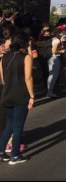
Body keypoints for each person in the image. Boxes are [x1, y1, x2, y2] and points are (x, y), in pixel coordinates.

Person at [0, 32, 35, 165]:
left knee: (10, 124)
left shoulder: (4, 57)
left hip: (6, 94)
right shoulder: (26, 57)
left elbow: (3, 78)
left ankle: (1, 151)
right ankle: (15, 155)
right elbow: (28, 78)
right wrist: (32, 96)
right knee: (18, 126)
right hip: (20, 95)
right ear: (25, 43)